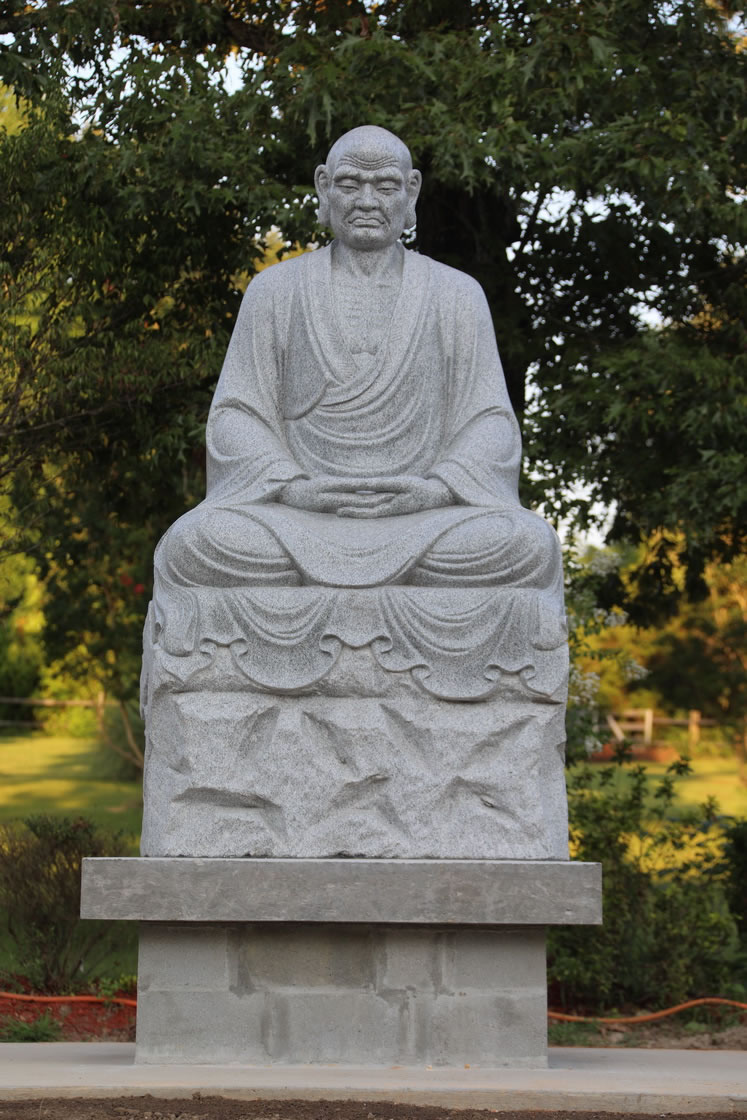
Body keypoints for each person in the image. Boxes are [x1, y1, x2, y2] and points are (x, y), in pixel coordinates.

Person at [156, 125, 561, 592]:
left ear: (411, 192)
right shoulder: (275, 291)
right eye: (350, 184)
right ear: (323, 187)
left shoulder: (456, 295)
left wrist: (437, 489)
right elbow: (236, 414)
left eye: (385, 186)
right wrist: (293, 487)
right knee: (194, 544)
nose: (367, 201)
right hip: (300, 517)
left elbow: (489, 421)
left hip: (423, 520)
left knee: (527, 545)